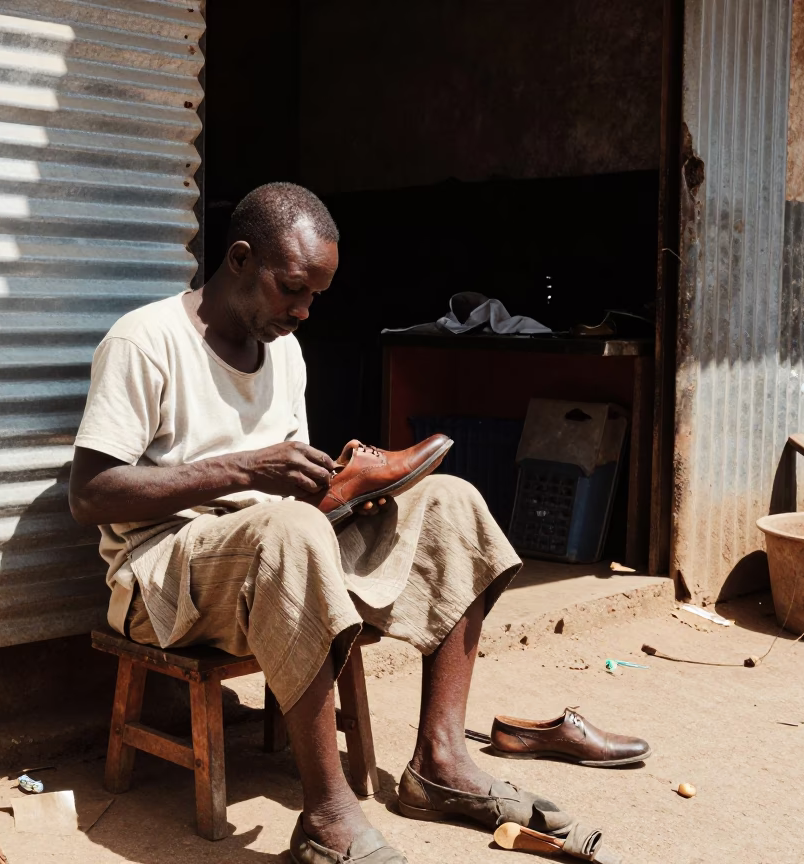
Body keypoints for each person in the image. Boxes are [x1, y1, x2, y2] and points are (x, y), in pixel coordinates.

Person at [69, 183, 595, 863]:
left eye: (316, 296)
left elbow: (291, 509)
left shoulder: (283, 349)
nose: (305, 311)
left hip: (272, 551)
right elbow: (91, 495)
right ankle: (327, 817)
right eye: (293, 289)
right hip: (163, 574)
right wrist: (247, 471)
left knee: (452, 503)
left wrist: (342, 497)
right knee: (289, 531)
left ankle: (439, 762)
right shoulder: (146, 342)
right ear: (238, 259)